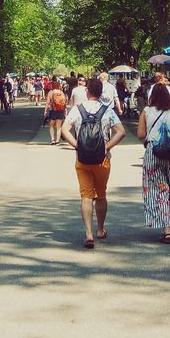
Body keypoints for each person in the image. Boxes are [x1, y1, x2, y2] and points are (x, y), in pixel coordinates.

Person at [60, 75, 126, 248]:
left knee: (86, 196)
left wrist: (77, 145)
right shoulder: (107, 110)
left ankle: (88, 233)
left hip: (82, 159)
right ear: (101, 92)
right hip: (102, 160)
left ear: (87, 91)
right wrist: (107, 147)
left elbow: (64, 130)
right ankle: (100, 229)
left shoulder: (77, 109)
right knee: (101, 195)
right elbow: (121, 132)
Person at [137, 81, 170, 242]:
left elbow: (140, 134)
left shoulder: (146, 111)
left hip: (153, 153)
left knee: (160, 189)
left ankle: (165, 228)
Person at [45, 80, 68, 144]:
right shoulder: (61, 92)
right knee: (59, 127)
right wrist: (65, 111)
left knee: (51, 125)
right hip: (61, 110)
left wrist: (45, 110)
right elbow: (64, 102)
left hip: (53, 110)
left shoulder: (51, 92)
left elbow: (47, 102)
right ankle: (57, 141)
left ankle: (52, 139)